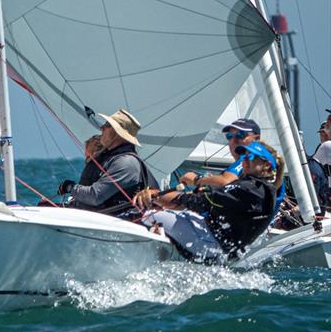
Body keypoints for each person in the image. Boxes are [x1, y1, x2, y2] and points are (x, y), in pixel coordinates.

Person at [133, 141, 282, 262]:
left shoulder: (251, 189)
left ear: (266, 165)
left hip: (211, 246)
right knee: (165, 214)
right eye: (244, 157)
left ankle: (143, 262)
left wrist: (155, 196)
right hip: (221, 247)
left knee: (149, 215)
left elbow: (196, 201)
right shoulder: (263, 190)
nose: (244, 161)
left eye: (251, 157)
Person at [58, 109, 157, 214]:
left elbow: (95, 196)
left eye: (107, 125)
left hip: (111, 222)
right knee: (43, 206)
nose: (102, 127)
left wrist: (70, 187)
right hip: (87, 216)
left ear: (118, 133)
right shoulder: (108, 157)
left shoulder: (126, 163)